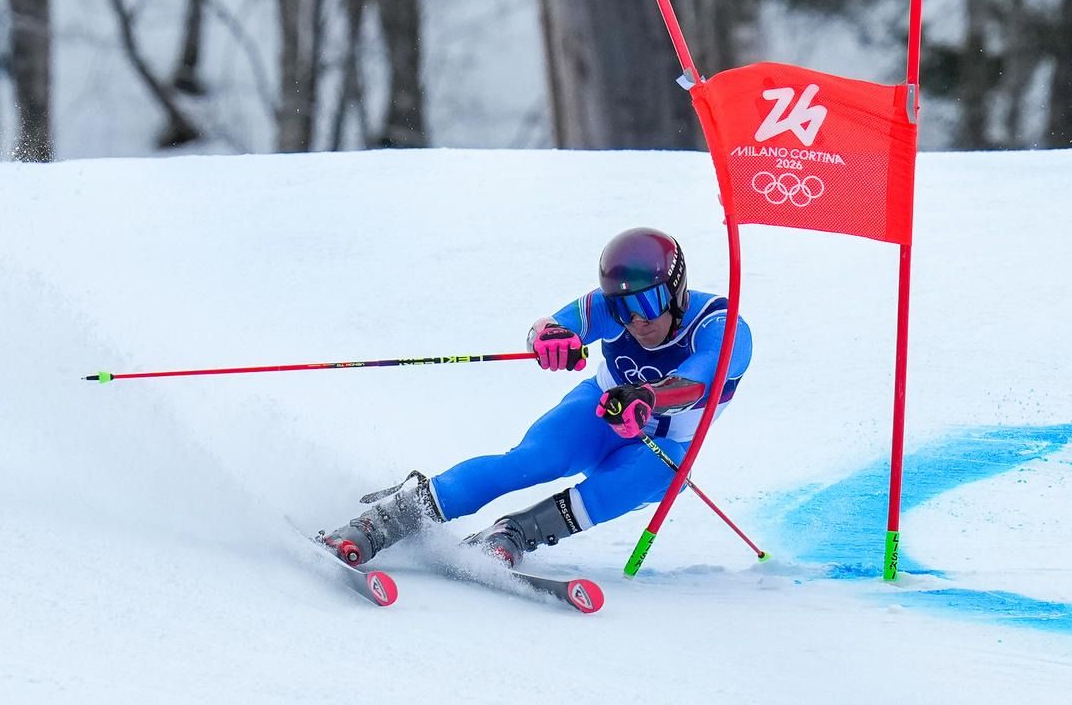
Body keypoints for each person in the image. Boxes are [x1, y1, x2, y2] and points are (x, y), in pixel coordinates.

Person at [320, 227, 753, 568]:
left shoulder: (721, 326)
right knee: (533, 460)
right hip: (601, 413)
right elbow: (550, 326)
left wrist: (648, 398)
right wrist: (551, 338)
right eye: (623, 307)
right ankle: (388, 518)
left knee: (660, 474)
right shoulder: (610, 308)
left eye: (651, 302)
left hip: (661, 442)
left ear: (676, 289)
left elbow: (696, 384)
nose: (637, 319)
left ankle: (514, 534)